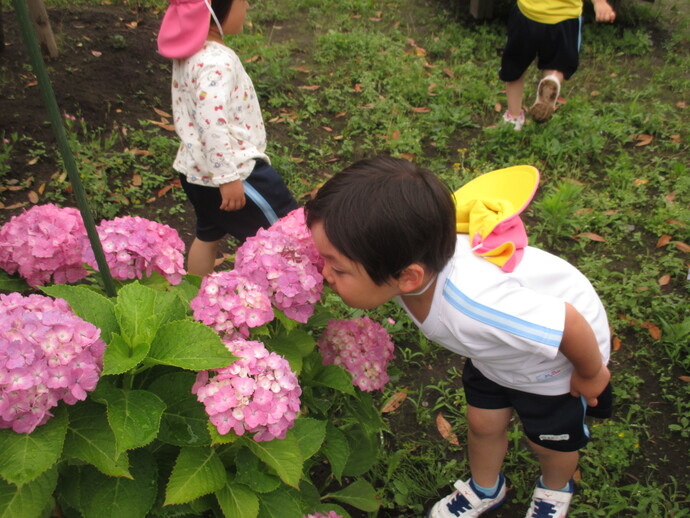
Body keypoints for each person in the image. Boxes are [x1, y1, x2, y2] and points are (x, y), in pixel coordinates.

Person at [304, 156, 613, 518]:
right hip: (496, 354)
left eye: (337, 267)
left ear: (408, 277)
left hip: (553, 364)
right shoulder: (412, 259)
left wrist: (591, 374)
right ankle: (486, 488)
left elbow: (569, 323)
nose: (325, 273)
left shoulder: (476, 305)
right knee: (482, 425)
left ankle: (555, 489)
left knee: (547, 444)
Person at [157, 0, 298, 276]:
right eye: (240, 0)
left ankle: (196, 298)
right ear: (213, 15)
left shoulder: (191, 54)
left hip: (195, 171)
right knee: (287, 233)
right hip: (237, 174)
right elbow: (212, 123)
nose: (247, 5)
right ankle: (292, 298)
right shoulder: (217, 61)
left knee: (208, 236)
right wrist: (228, 178)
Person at [500, 0, 617, 130]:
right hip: (565, 18)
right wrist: (599, 3)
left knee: (515, 65)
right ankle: (552, 79)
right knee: (558, 64)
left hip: (528, 13)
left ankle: (513, 118)